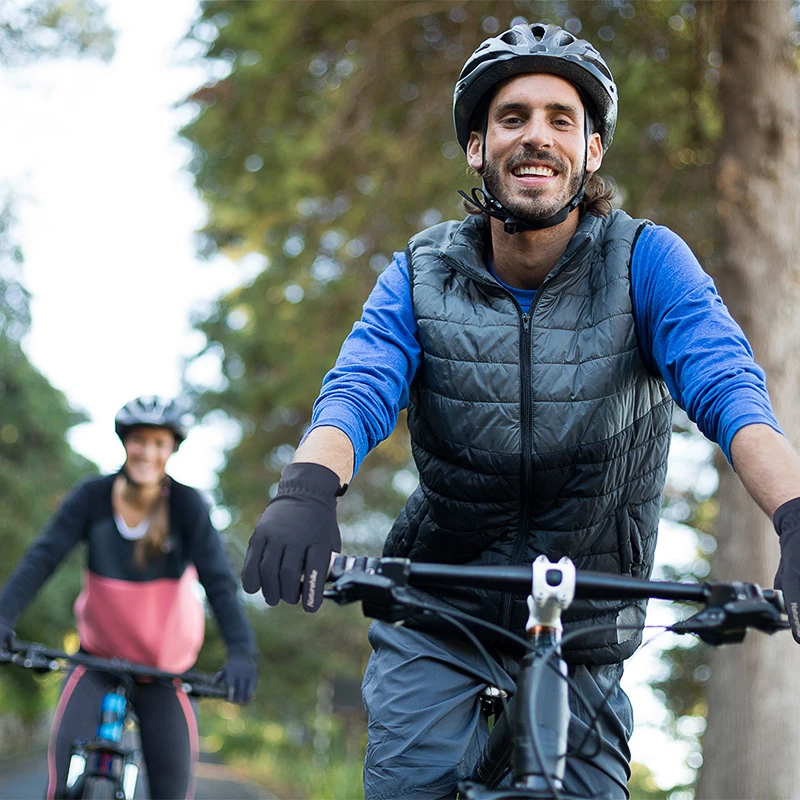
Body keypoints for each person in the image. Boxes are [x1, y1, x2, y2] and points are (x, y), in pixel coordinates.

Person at [241, 22, 800, 800]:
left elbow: (729, 389)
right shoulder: (421, 271)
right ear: (477, 147)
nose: (536, 137)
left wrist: (793, 515)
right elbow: (360, 389)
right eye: (512, 117)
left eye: (560, 119)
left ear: (591, 152)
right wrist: (306, 488)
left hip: (589, 620)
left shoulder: (647, 260)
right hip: (440, 613)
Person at [0, 395, 259, 800]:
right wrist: (4, 616)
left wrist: (242, 651)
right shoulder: (92, 497)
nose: (147, 452)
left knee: (173, 792)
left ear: (171, 449)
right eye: (139, 440)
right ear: (125, 442)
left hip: (164, 671)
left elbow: (219, 581)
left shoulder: (188, 506)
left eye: (159, 443)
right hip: (96, 659)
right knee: (59, 784)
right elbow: (42, 558)